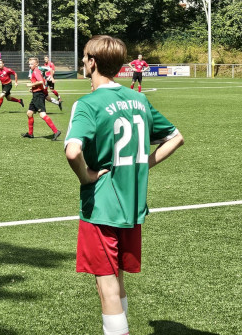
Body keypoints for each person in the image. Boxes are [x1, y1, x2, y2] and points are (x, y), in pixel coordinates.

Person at [64, 35, 183, 335]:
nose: (82, 62)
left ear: (92, 62)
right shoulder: (139, 99)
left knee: (106, 285)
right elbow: (176, 138)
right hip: (132, 205)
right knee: (117, 278)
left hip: (102, 206)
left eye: (84, 57)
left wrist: (86, 176)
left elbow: (73, 151)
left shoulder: (87, 104)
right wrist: (144, 162)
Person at [23, 57, 62, 140]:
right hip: (36, 94)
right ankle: (30, 133)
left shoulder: (36, 71)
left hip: (38, 95)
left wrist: (31, 85)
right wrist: (33, 88)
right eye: (29, 64)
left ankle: (56, 131)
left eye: (31, 64)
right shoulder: (35, 71)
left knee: (42, 114)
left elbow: (40, 81)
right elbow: (40, 83)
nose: (30, 66)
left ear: (36, 64)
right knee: (29, 113)